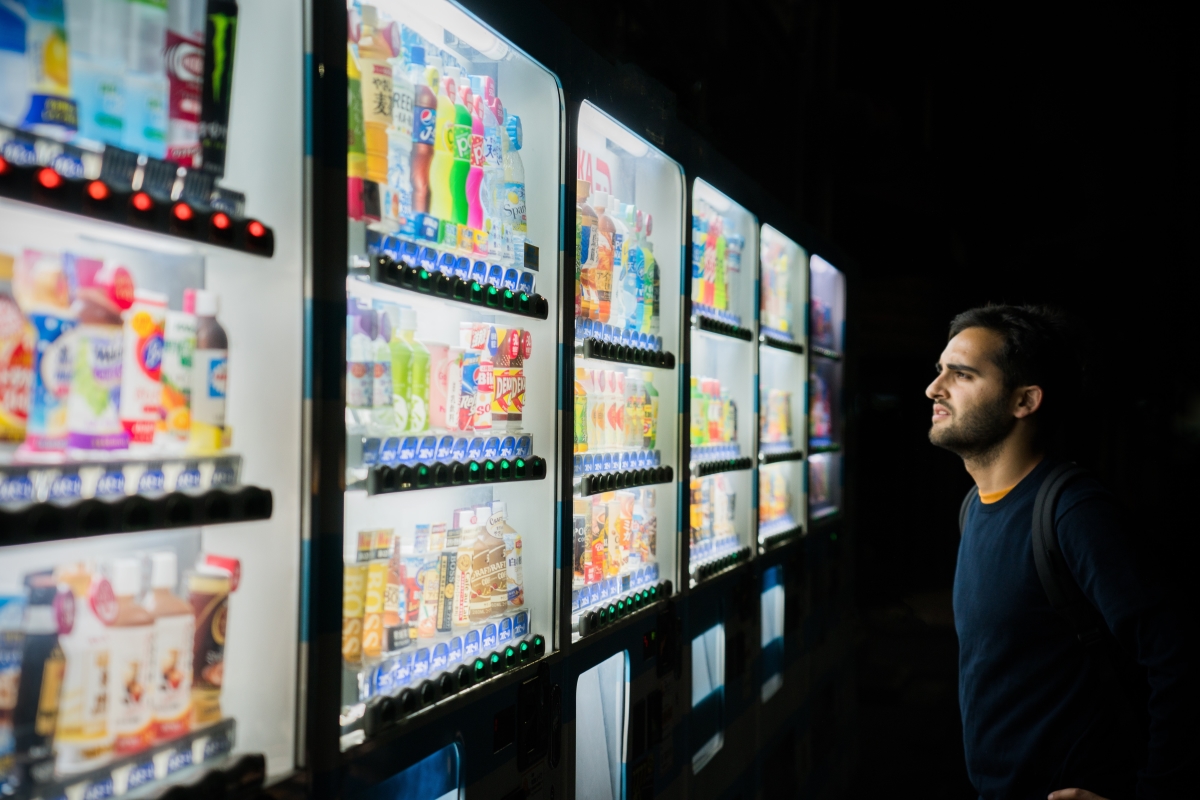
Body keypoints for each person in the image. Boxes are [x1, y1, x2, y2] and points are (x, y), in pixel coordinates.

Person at [925, 304, 1190, 800]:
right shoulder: (974, 507)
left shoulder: (1074, 512)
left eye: (961, 374)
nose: (934, 389)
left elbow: (1177, 659)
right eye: (940, 371)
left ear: (1024, 401)